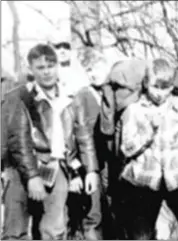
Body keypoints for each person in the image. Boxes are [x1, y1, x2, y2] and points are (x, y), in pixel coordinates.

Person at [5, 44, 99, 240]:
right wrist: (31, 177)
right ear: (31, 69)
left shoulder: (71, 97)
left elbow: (83, 135)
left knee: (54, 229)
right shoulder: (21, 97)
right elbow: (19, 140)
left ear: (58, 67)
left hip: (57, 167)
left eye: (50, 66)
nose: (47, 72)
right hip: (23, 167)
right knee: (16, 231)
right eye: (40, 67)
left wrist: (91, 170)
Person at [118, 58, 178, 240]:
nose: (159, 93)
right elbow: (126, 148)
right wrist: (149, 129)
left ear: (172, 87)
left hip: (175, 178)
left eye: (165, 88)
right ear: (146, 84)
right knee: (141, 235)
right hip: (144, 180)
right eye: (155, 87)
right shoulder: (134, 110)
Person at [66, 48, 113, 240]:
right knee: (94, 214)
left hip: (111, 164)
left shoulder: (113, 94)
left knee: (114, 211)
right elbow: (74, 136)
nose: (94, 74)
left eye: (98, 68)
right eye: (89, 70)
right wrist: (76, 170)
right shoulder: (82, 97)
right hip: (89, 163)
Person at [1, 84, 45, 240]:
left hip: (19, 167)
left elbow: (17, 139)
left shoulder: (14, 96)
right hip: (14, 168)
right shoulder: (12, 96)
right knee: (16, 230)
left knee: (19, 230)